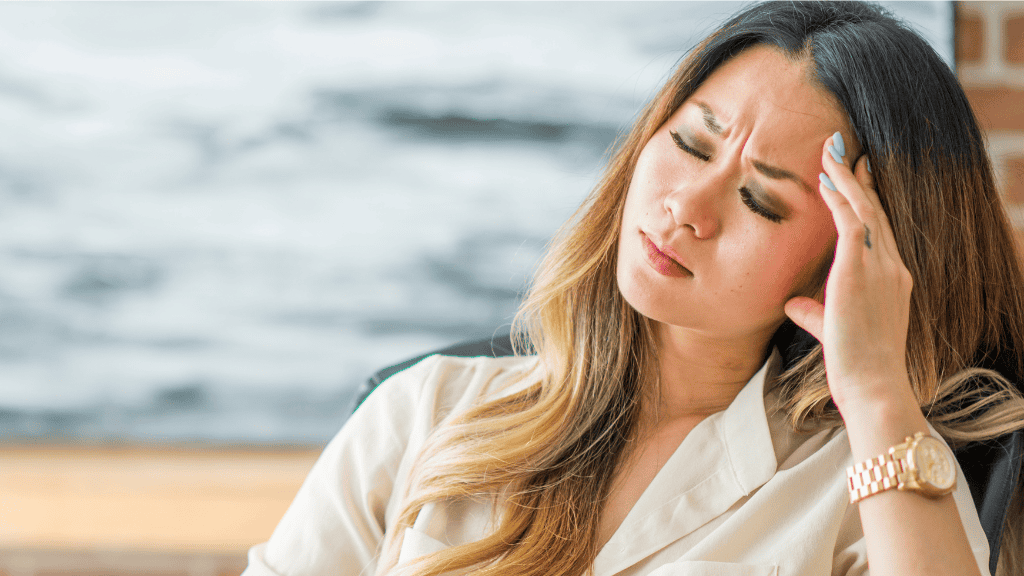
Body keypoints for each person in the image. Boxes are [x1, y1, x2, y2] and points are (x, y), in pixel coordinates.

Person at [242, 2, 1024, 575]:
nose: (686, 208)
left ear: (851, 257)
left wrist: (878, 389)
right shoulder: (424, 414)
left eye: (761, 199)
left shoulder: (867, 491)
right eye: (689, 144)